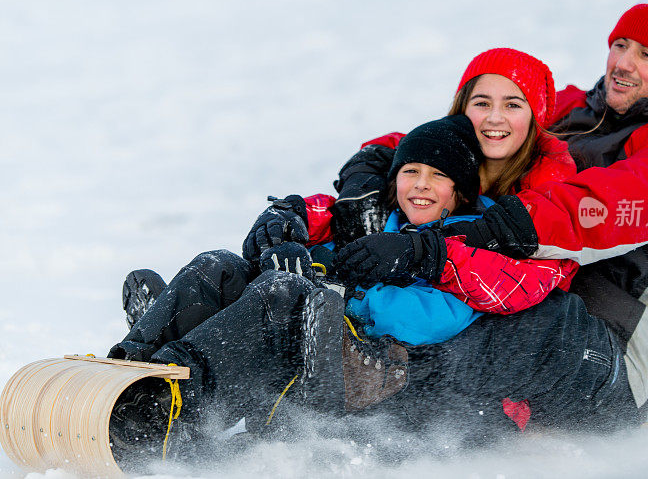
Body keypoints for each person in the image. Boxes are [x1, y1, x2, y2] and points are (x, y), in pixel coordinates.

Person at [306, 0, 648, 432]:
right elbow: (464, 137)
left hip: (620, 348)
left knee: (531, 324)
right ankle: (329, 369)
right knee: (445, 297)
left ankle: (371, 421)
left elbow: (599, 210)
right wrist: (374, 167)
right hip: (523, 289)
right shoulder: (572, 110)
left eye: (646, 55)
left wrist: (491, 229)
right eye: (620, 45)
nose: (622, 63)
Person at [108, 108, 576, 468]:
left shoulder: (466, 240)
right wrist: (288, 236)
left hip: (364, 363)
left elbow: (426, 319)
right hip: (318, 336)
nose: (421, 185)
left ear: (461, 190)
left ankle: (163, 405)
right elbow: (325, 225)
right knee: (222, 267)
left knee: (279, 295)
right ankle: (132, 363)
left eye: (439, 176)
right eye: (411, 171)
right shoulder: (384, 225)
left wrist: (340, 289)